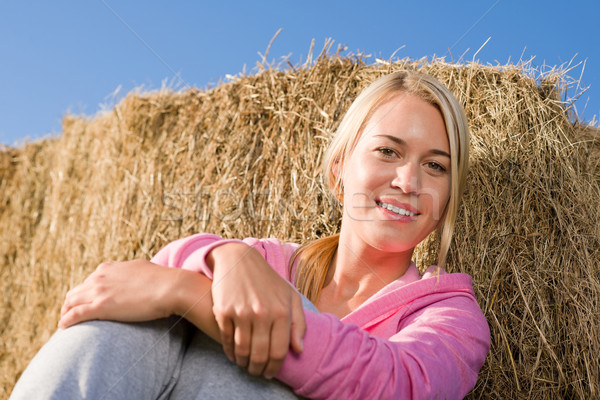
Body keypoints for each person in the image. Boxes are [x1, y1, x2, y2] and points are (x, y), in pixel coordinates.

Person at [10, 71, 490, 399]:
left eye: (434, 166)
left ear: (447, 196)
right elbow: (154, 273)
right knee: (138, 326)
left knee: (236, 333)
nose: (408, 181)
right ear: (339, 168)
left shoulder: (451, 315)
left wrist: (185, 292)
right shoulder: (268, 259)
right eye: (388, 151)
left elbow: (395, 385)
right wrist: (229, 259)